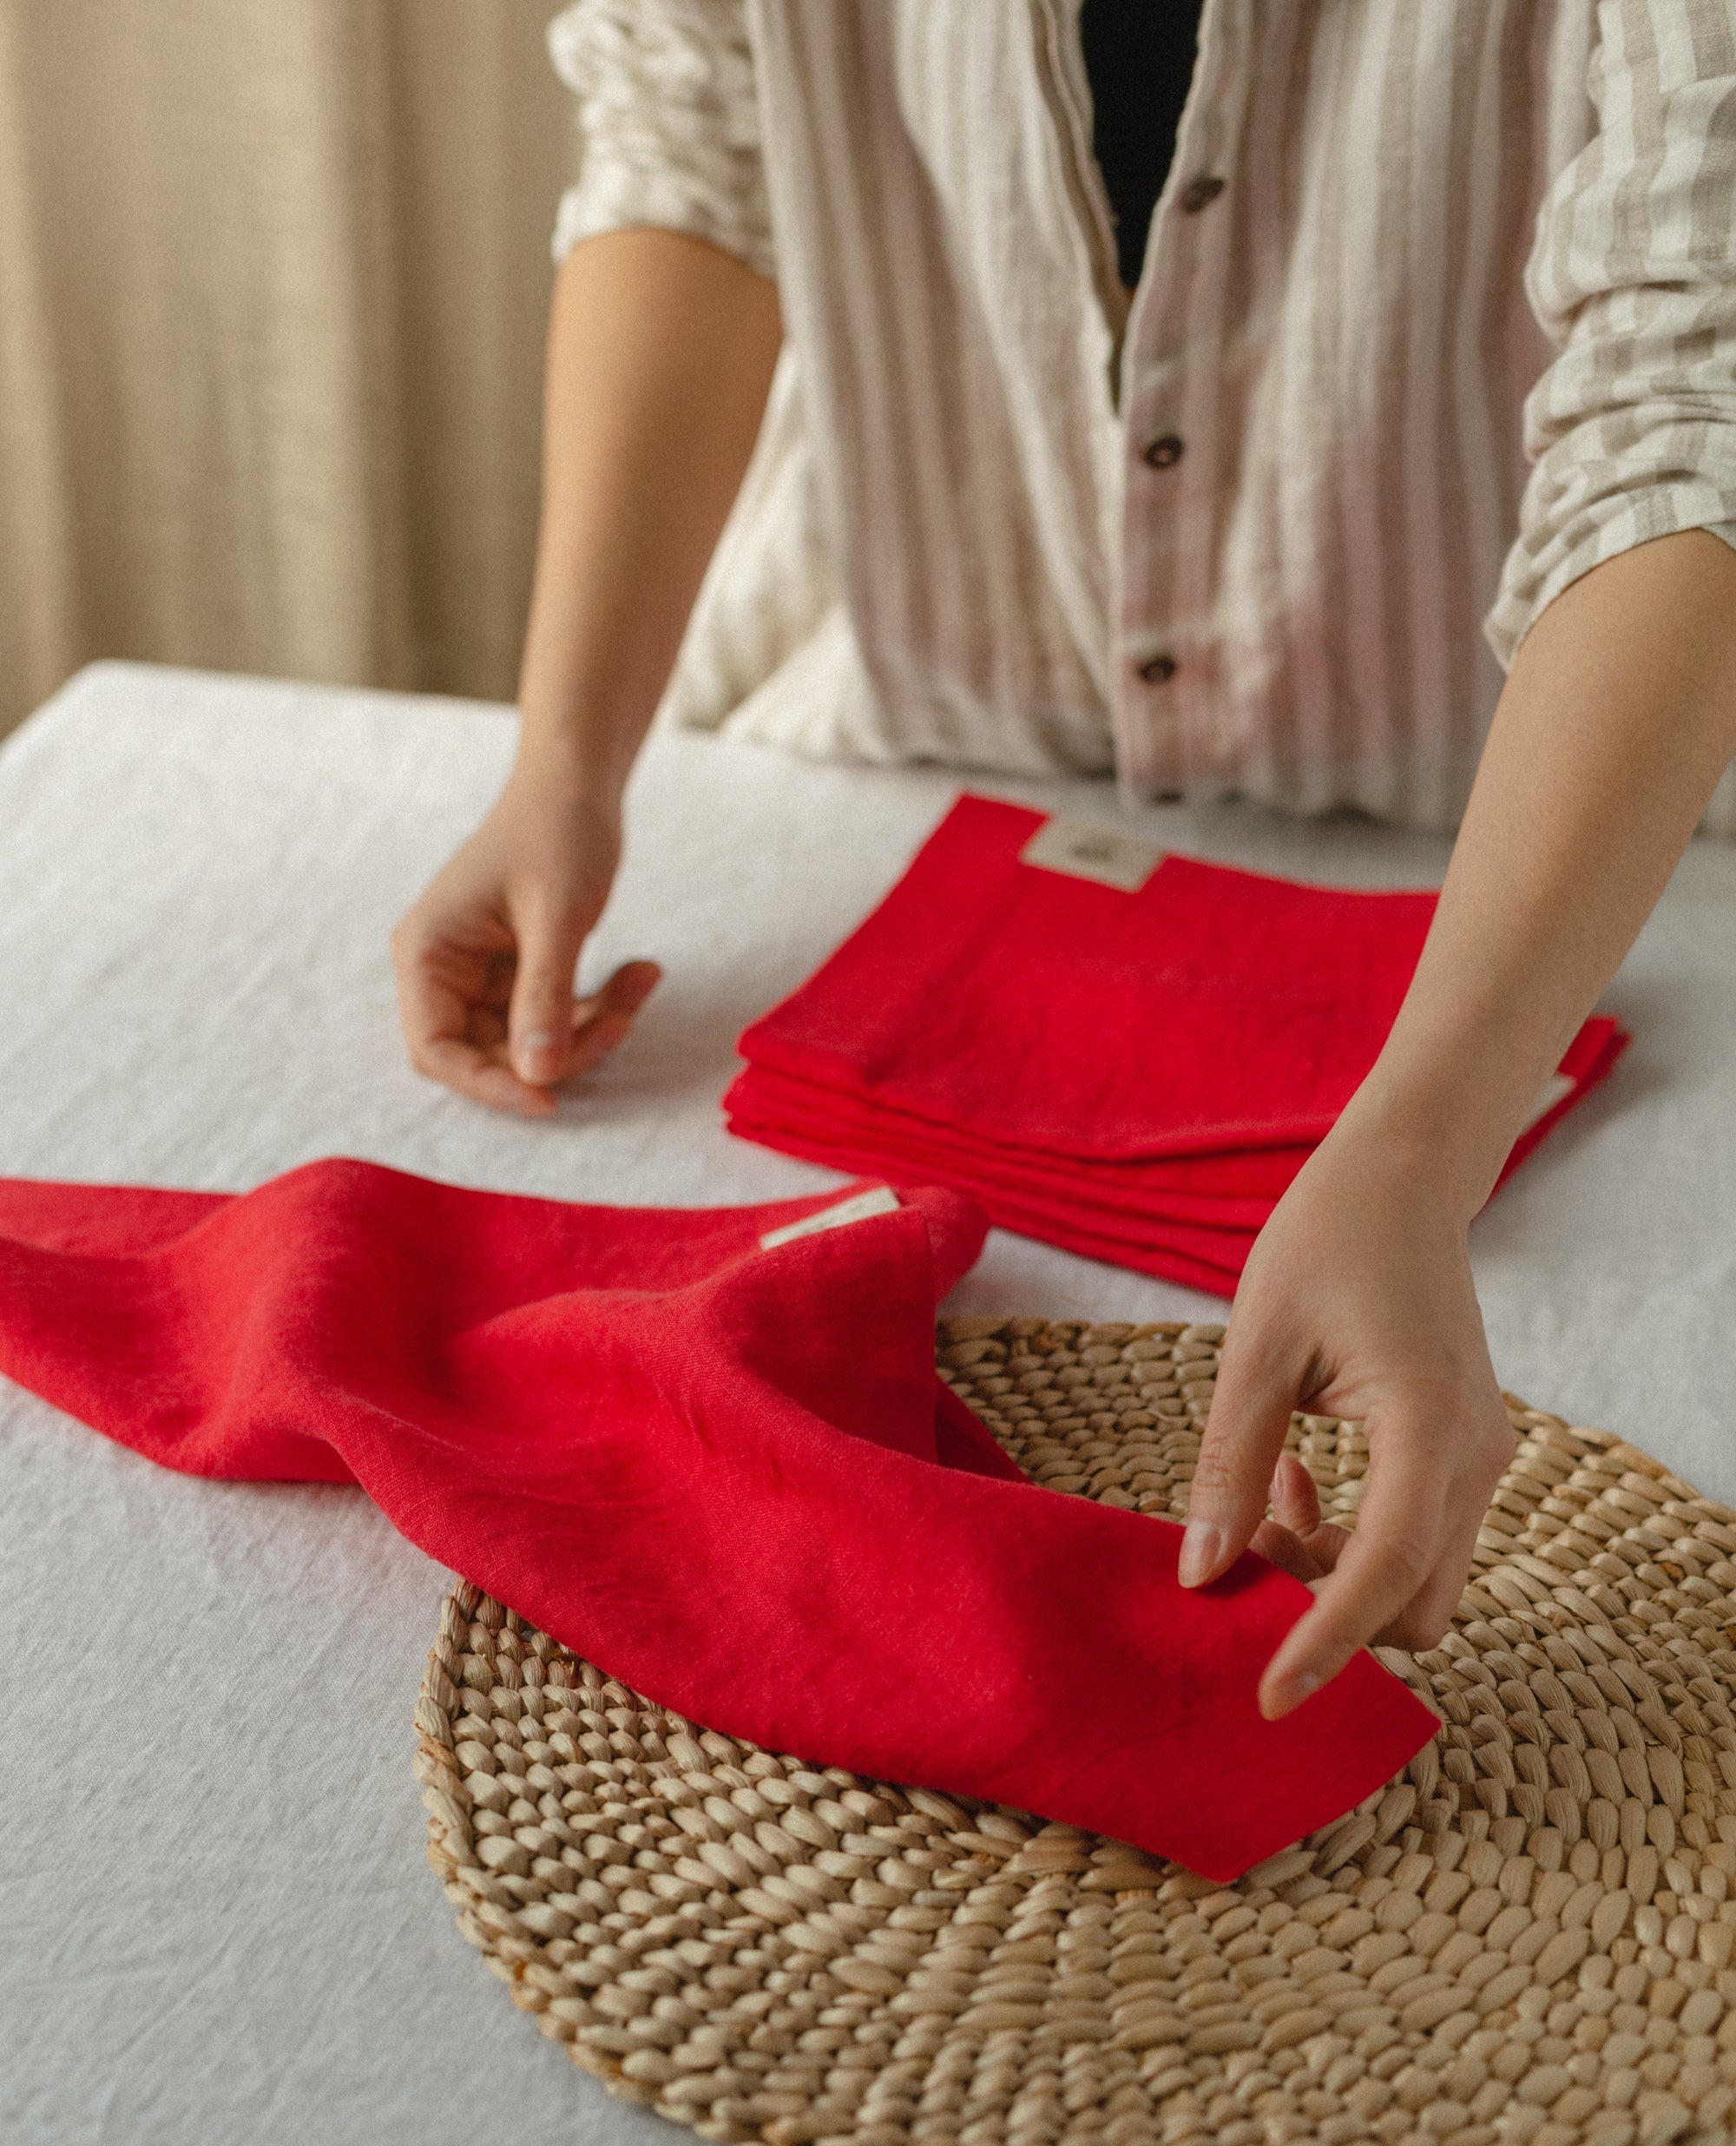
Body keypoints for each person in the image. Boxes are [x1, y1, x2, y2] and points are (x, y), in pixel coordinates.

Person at [392, 2, 1736, 1724]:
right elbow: (691, 159)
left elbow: (1694, 390)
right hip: (909, 721)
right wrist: (563, 761)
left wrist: (1415, 1144)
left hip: (1527, 822)